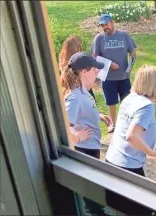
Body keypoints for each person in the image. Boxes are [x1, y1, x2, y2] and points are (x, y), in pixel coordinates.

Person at [61, 52, 112, 215]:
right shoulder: (74, 97)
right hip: (85, 151)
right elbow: (65, 127)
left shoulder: (83, 92)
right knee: (90, 190)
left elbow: (83, 112)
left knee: (93, 186)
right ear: (84, 72)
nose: (97, 73)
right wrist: (77, 136)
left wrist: (99, 116)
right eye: (94, 70)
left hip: (92, 148)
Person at [105, 65, 156, 176]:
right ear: (155, 84)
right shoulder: (147, 106)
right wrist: (152, 153)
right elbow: (131, 136)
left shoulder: (129, 98)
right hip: (128, 166)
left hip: (112, 159)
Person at [91, 14, 137, 133]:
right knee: (111, 102)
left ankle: (126, 123)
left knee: (126, 101)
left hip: (123, 76)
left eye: (106, 24)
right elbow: (95, 57)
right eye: (102, 25)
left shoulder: (124, 35)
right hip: (108, 77)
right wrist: (110, 64)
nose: (104, 27)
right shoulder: (99, 38)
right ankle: (113, 123)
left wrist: (130, 66)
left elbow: (132, 52)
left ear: (112, 22)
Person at [59, 35, 96, 100]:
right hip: (81, 86)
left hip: (68, 87)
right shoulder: (80, 58)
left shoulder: (62, 58)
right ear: (78, 46)